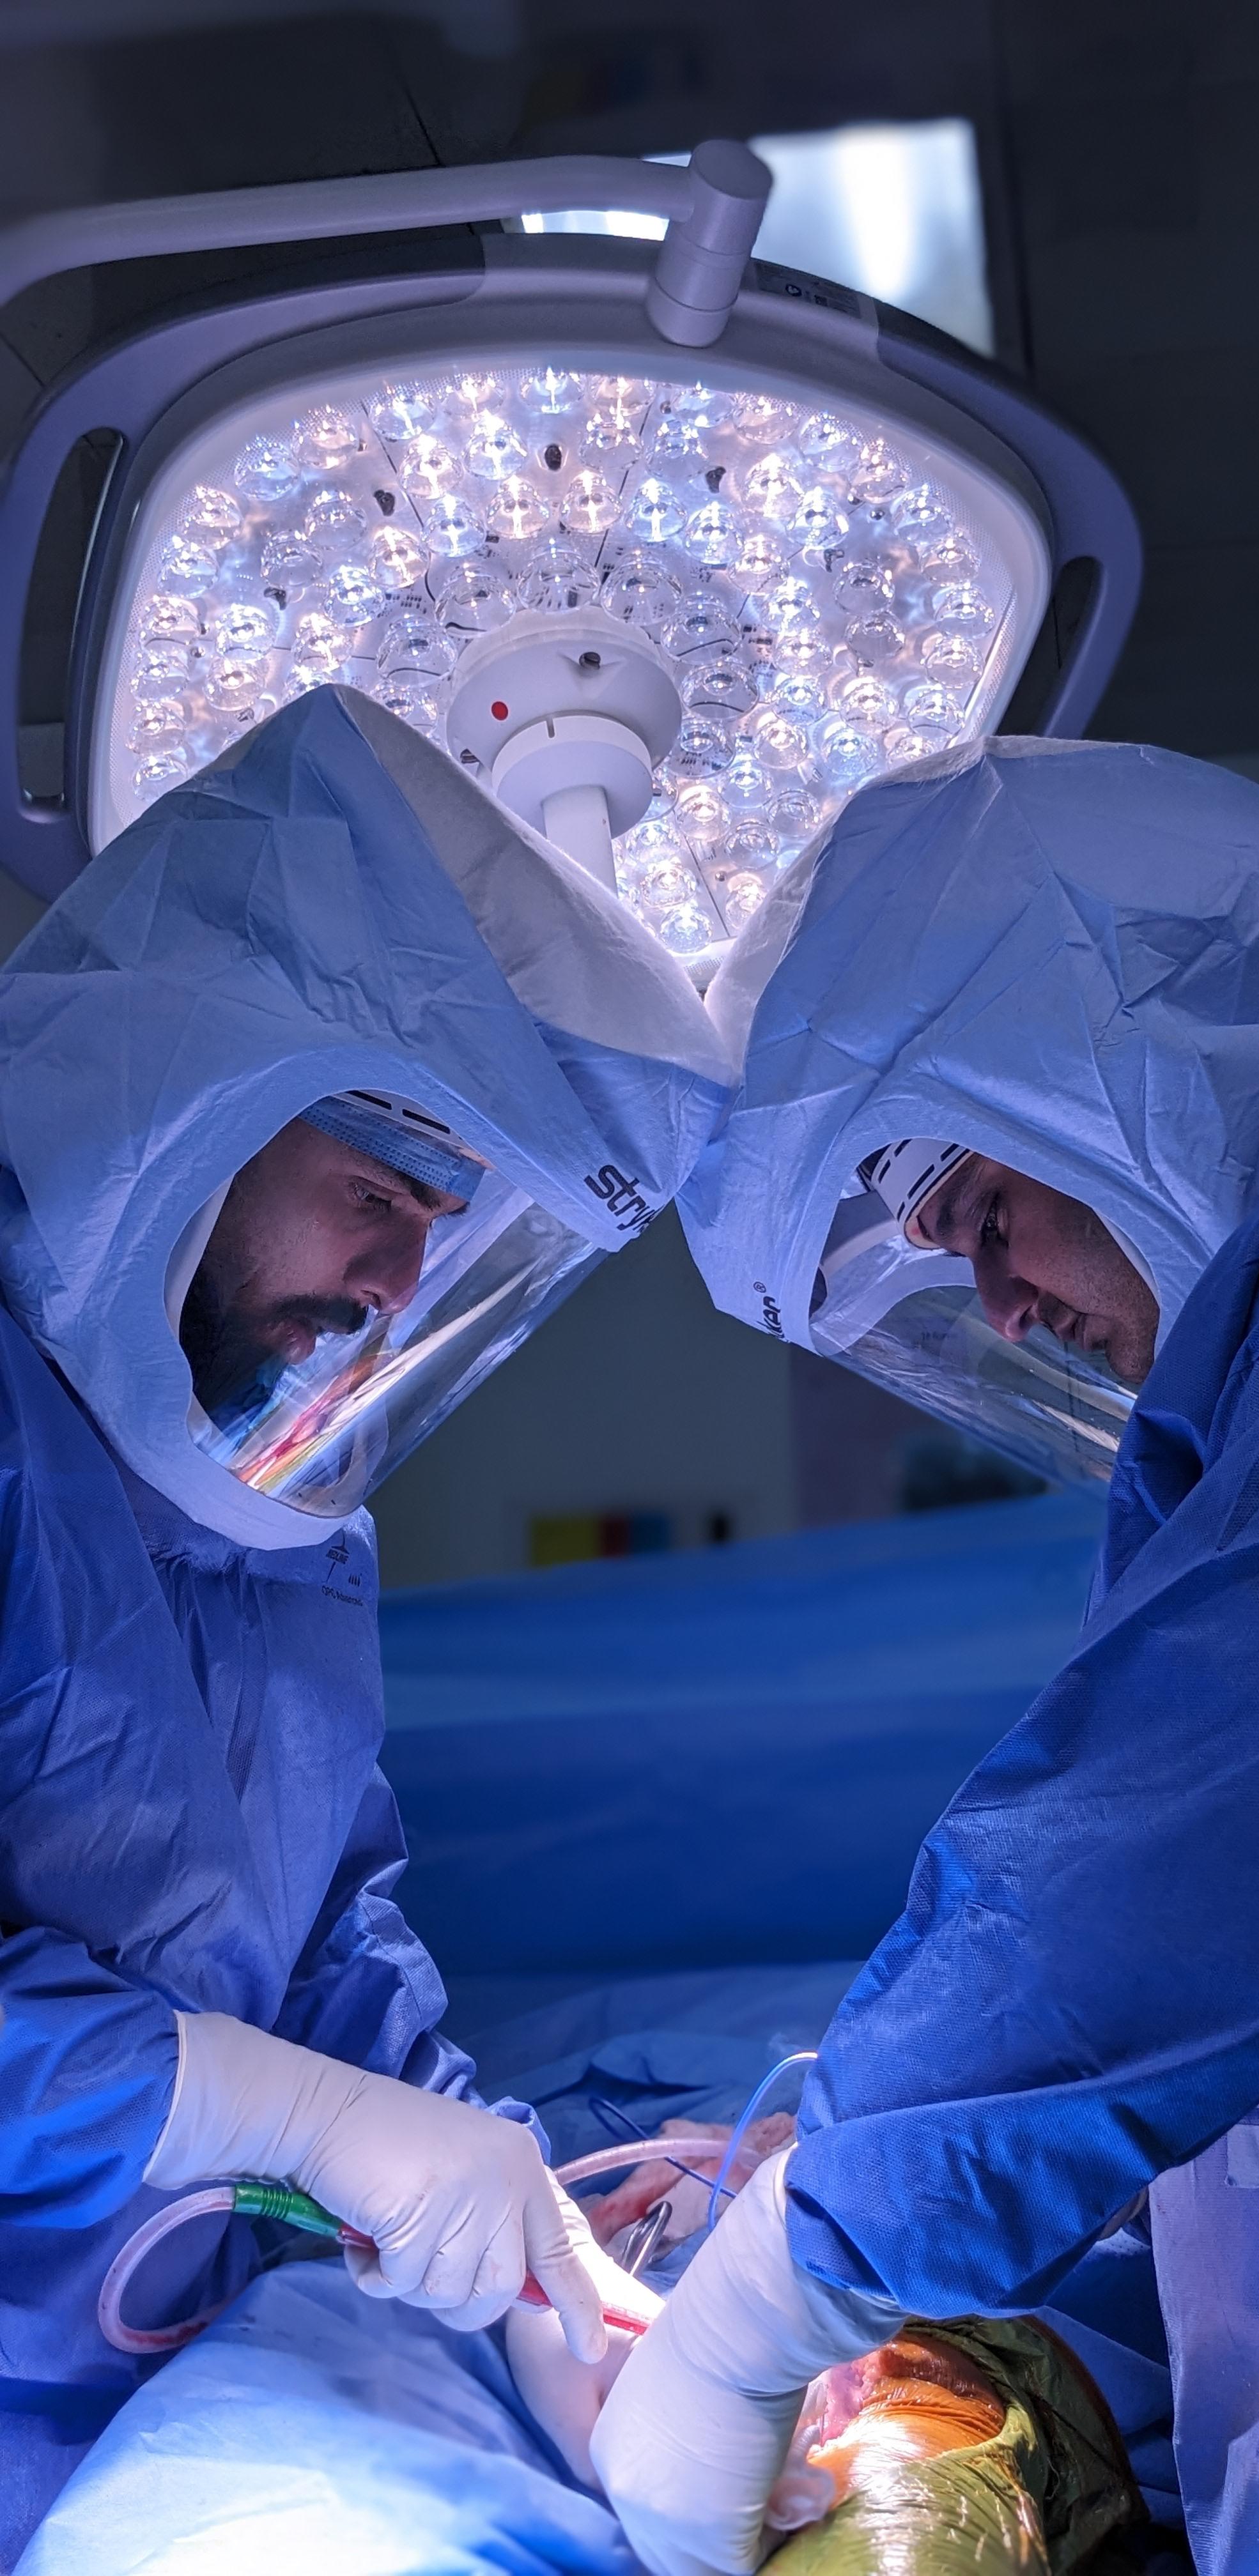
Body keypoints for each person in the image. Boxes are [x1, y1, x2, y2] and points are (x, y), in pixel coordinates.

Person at [590, 738, 1259, 2576]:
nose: (993, 1307)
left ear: (1115, 1075)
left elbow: (1221, 1829)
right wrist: (911, 2197)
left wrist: (799, 2268)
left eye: (987, 1212)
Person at [0, 680, 729, 2559]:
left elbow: (322, 1931)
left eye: (455, 1232)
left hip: (133, 2395)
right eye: (377, 1197)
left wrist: (521, 2258)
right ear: (190, 1110)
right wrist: (292, 2124)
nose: (399, 1286)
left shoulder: (269, 1511)